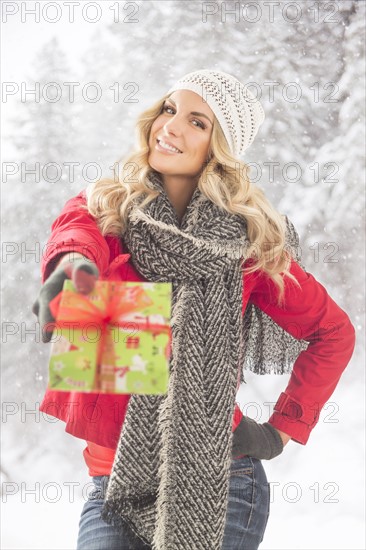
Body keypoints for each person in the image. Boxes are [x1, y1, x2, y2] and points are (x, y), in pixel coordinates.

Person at [32, 69, 356, 550]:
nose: (172, 127)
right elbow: (76, 239)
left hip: (223, 481)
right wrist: (74, 271)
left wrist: (283, 429)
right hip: (113, 483)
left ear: (219, 147)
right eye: (169, 109)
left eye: (197, 122)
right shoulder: (106, 207)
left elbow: (334, 332)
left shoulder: (246, 245)